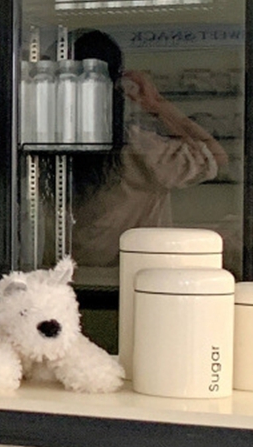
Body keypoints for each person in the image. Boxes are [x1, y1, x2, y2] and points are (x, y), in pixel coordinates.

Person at [68, 31, 229, 269]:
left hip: (62, 275)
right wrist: (155, 103)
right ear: (116, 84)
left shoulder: (46, 147)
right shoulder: (138, 149)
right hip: (135, 274)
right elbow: (217, 156)